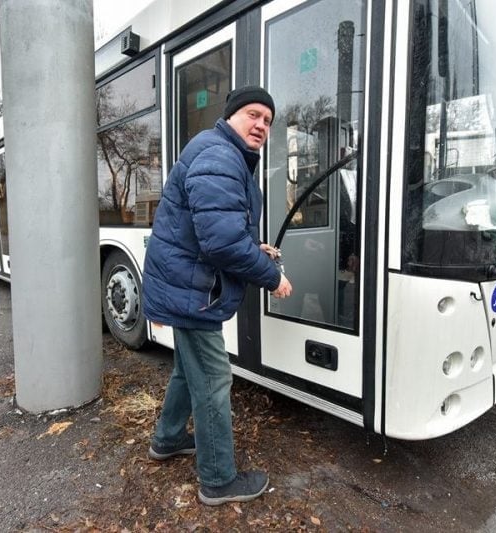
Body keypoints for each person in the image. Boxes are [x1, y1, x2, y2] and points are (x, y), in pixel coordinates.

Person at [141, 85, 292, 506]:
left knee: (188, 372)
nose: (261, 125)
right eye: (254, 115)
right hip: (192, 290)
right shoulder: (220, 156)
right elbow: (221, 244)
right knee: (212, 379)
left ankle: (167, 440)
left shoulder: (222, 154)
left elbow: (216, 228)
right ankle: (218, 479)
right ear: (231, 116)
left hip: (188, 284)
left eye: (268, 120)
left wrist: (252, 245)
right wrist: (271, 277)